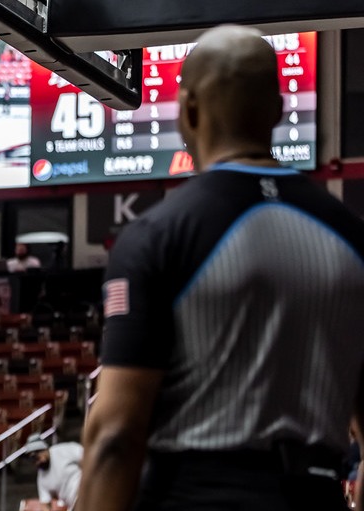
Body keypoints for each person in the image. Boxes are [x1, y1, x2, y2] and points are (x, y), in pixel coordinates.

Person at [77, 25, 364, 511]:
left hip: (195, 493)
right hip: (316, 493)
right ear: (278, 108)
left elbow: (118, 437)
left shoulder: (157, 236)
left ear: (187, 109)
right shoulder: (352, 236)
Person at [21, 434, 81, 511]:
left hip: (87, 489)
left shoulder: (64, 450)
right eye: (33, 461)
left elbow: (89, 459)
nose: (37, 463)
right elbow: (45, 504)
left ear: (44, 449)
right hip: (74, 505)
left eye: (38, 457)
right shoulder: (42, 479)